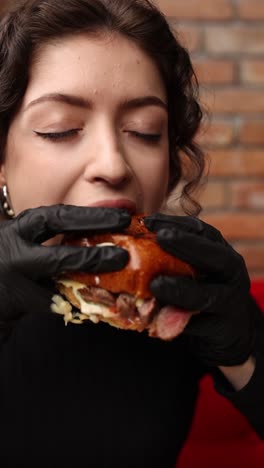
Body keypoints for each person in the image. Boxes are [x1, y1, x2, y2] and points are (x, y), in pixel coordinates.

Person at [0, 0, 263, 466]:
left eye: (145, 131)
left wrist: (248, 355)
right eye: (60, 129)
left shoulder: (186, 301)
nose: (114, 165)